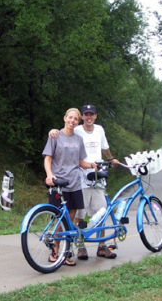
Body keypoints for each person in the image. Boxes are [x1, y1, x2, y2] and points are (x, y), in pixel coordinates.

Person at [49, 103, 119, 260]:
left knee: (102, 211)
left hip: (98, 177)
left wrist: (110, 159)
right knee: (80, 214)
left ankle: (102, 247)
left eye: (91, 114)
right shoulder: (77, 129)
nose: (88, 117)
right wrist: (52, 131)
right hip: (81, 178)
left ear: (95, 116)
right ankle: (81, 247)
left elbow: (105, 147)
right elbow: (63, 131)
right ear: (82, 117)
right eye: (86, 114)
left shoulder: (100, 130)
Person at [43, 108, 97, 266]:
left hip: (75, 184)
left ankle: (65, 254)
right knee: (59, 221)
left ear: (78, 122)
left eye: (75, 119)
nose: (72, 121)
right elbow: (48, 158)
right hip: (59, 183)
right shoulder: (55, 136)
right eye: (70, 118)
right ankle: (54, 251)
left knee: (69, 221)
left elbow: (80, 162)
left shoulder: (78, 140)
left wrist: (92, 165)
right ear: (64, 118)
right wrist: (49, 174)